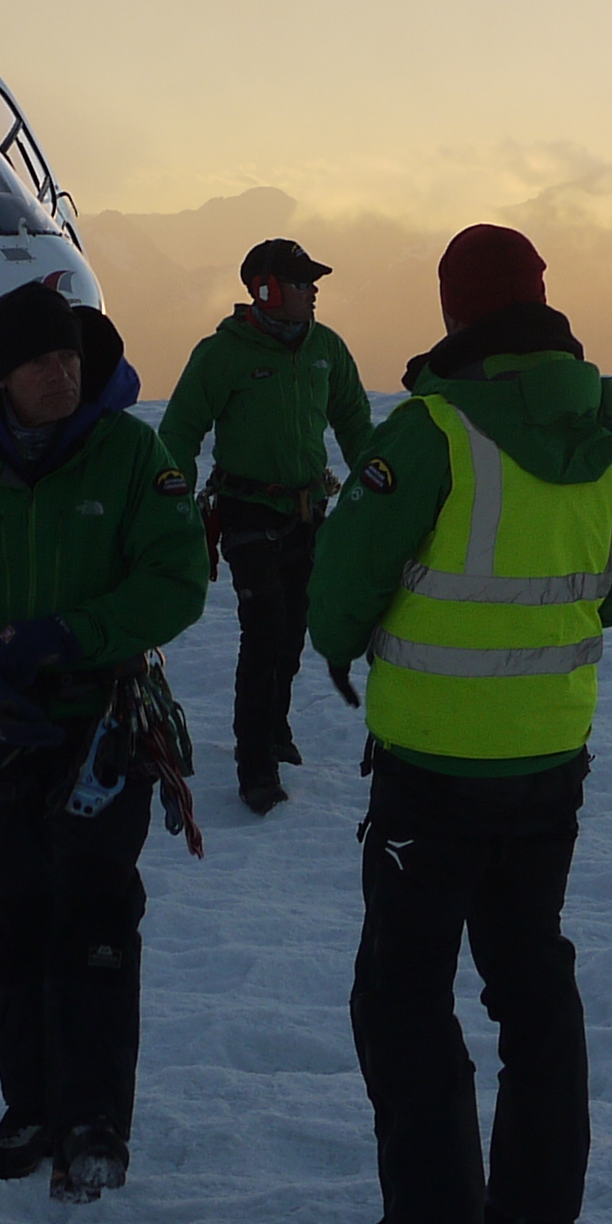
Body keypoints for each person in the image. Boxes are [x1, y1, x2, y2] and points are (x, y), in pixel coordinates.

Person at [307, 224, 612, 1224]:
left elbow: (344, 577)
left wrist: (336, 648)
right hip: (551, 755)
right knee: (530, 974)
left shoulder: (430, 431)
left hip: (431, 767)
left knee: (403, 992)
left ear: (455, 311)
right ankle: (541, 1215)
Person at [0, 284, 207, 1202]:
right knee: (17, 924)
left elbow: (178, 577)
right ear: (3, 373)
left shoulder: (130, 455)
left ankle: (97, 1120)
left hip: (104, 724)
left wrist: (76, 635)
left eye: (71, 357)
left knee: (99, 917)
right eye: (43, 361)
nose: (64, 373)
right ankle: (29, 1107)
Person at [156, 236, 376, 816]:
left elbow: (354, 421)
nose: (313, 291)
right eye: (302, 283)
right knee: (264, 633)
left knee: (294, 629)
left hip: (308, 514)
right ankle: (256, 768)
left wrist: (379, 487)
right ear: (267, 290)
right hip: (247, 513)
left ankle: (275, 730)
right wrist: (176, 504)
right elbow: (179, 431)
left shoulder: (326, 348)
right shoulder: (222, 354)